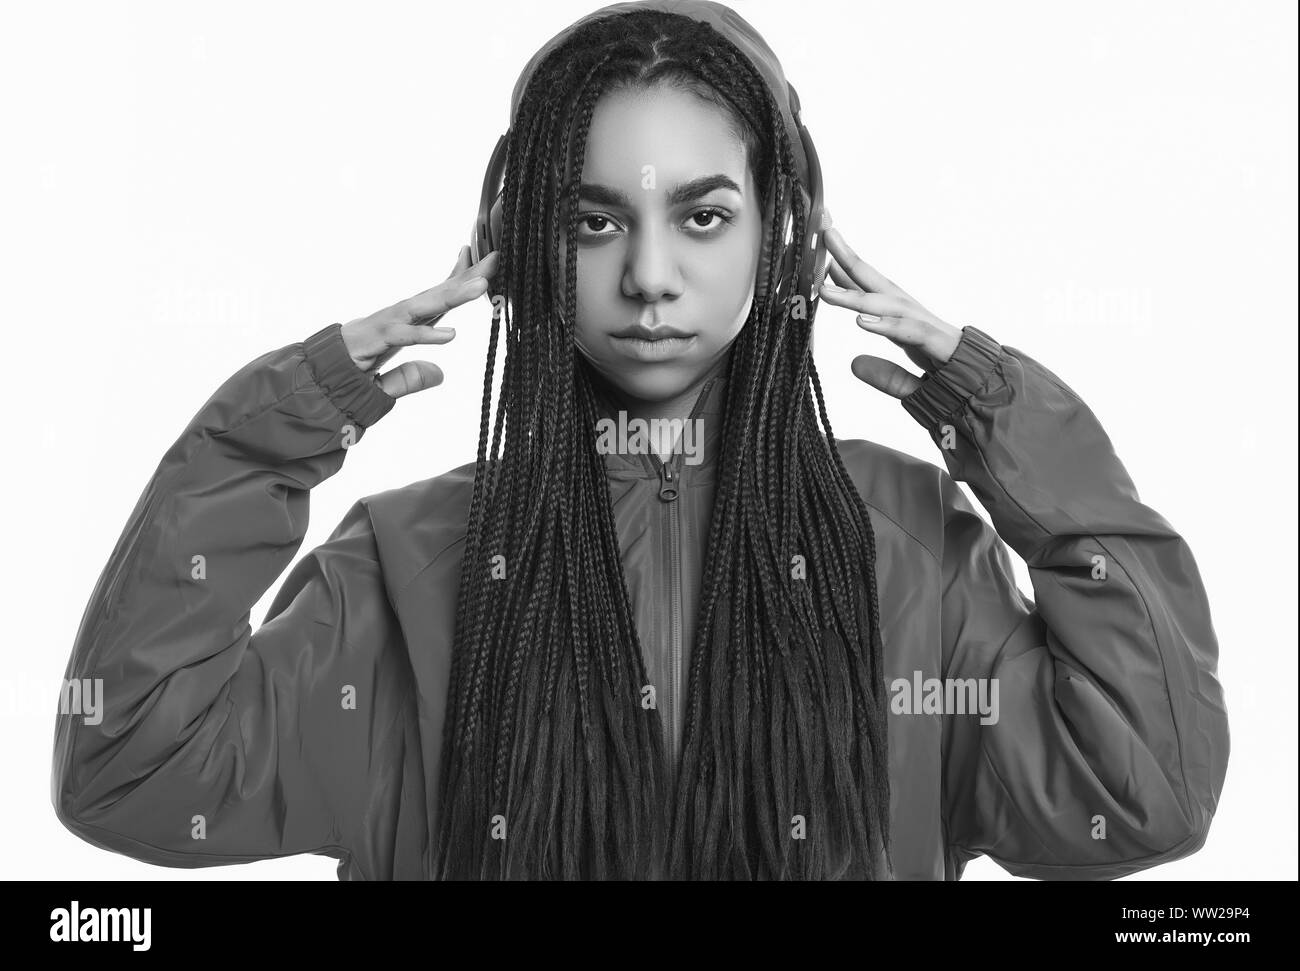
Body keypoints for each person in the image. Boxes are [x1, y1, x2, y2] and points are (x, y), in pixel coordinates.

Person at [51, 0, 1229, 880]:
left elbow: (1146, 792)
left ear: (783, 237)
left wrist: (1001, 418)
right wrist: (274, 431)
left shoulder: (906, 544)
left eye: (703, 215)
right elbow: (133, 773)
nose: (650, 276)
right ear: (519, 246)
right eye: (593, 218)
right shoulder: (407, 561)